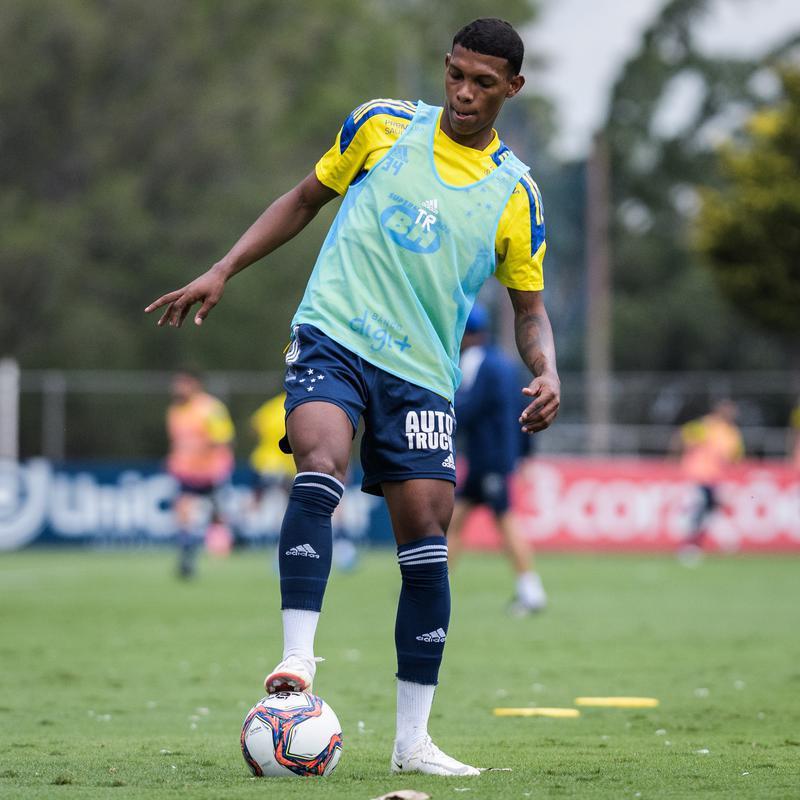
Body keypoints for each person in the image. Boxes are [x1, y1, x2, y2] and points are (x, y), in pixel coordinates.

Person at [146, 18, 559, 776]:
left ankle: (413, 742)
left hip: (422, 376)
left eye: (483, 83)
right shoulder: (381, 126)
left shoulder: (516, 194)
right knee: (320, 462)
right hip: (334, 335)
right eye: (455, 74)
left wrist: (549, 369)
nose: (464, 93)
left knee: (427, 541)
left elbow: (529, 311)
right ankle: (297, 662)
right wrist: (223, 269)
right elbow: (304, 199)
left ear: (513, 89)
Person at [447, 303, 547, 614]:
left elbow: (468, 407)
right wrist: (524, 455)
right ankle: (432, 587)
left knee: (504, 521)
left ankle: (532, 591)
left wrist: (440, 417)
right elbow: (524, 410)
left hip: (485, 459)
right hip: (496, 457)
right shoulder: (505, 363)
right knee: (455, 522)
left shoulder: (476, 361)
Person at [166, 370, 235, 577]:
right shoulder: (175, 412)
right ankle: (187, 555)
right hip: (186, 472)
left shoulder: (210, 409)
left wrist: (202, 448)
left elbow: (224, 438)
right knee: (184, 512)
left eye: (182, 384)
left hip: (211, 471)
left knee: (216, 516)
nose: (177, 388)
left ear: (194, 384)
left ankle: (220, 554)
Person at [674, 399, 743, 555]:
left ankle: (700, 543)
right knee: (698, 509)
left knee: (711, 512)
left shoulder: (731, 432)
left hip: (715, 478)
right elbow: (683, 438)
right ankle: (689, 544)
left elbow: (733, 457)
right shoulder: (705, 425)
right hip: (697, 475)